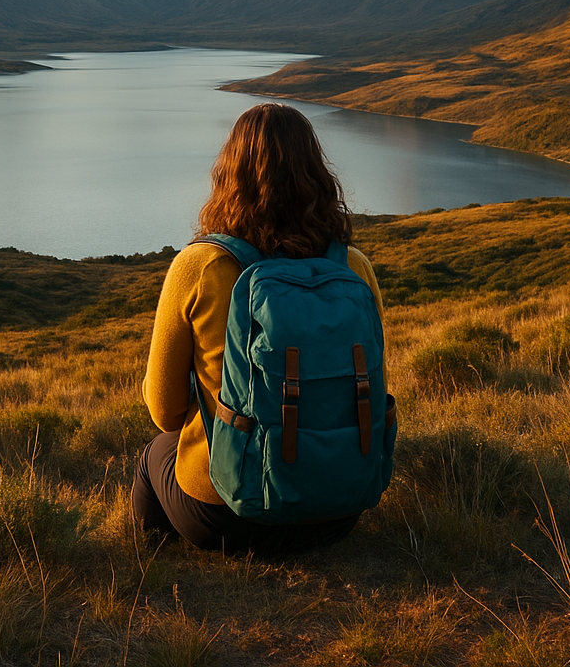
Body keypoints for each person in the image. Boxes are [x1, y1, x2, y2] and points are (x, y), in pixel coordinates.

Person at [131, 103, 384, 555]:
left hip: (227, 518)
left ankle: (150, 557)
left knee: (155, 455)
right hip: (338, 512)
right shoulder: (354, 268)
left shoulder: (201, 265)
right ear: (317, 173)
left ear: (230, 173)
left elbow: (166, 413)